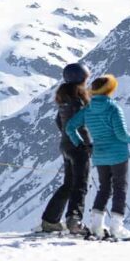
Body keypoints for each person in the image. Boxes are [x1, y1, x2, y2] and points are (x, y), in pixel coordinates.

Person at [64, 74, 130, 239]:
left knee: (104, 188)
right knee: (120, 188)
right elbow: (121, 134)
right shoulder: (113, 108)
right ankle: (117, 227)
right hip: (118, 154)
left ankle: (97, 226)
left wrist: (82, 144)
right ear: (110, 89)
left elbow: (70, 127)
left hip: (99, 154)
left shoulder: (88, 109)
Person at [39, 63, 92, 235]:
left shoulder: (65, 99)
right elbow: (75, 126)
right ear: (81, 78)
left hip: (66, 146)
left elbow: (59, 121)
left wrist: (67, 137)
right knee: (80, 184)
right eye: (86, 78)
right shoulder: (77, 100)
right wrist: (83, 143)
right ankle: (74, 221)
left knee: (69, 184)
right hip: (78, 147)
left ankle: (50, 220)